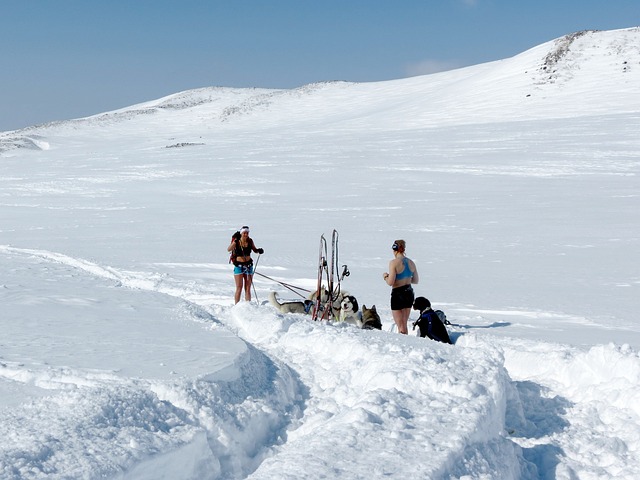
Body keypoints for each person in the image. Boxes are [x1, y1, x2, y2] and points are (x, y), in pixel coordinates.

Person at [383, 239, 419, 334]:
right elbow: (416, 280)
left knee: (400, 325)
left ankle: (403, 344)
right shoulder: (411, 262)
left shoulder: (394, 263)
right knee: (404, 323)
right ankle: (406, 342)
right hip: (409, 293)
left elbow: (390, 282)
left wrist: (385, 276)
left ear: (395, 249)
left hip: (398, 294)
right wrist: (405, 279)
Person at [227, 226, 264, 304]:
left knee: (247, 288)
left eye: (247, 233)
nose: (246, 234)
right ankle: (236, 306)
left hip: (248, 266)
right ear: (241, 233)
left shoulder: (250, 241)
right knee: (239, 287)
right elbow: (229, 249)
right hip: (239, 266)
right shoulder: (237, 241)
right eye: (244, 233)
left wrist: (258, 251)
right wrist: (235, 241)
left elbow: (254, 250)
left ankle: (248, 306)